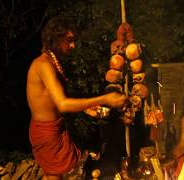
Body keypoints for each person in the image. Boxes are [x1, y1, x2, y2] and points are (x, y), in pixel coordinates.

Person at [26, 16, 126, 180]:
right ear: (56, 39)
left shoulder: (53, 62)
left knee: (53, 175)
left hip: (55, 129)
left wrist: (86, 107)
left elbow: (56, 100)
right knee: (54, 175)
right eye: (69, 40)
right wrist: (105, 99)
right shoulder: (43, 65)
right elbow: (63, 104)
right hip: (46, 132)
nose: (73, 45)